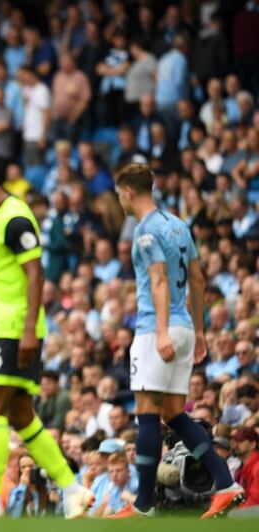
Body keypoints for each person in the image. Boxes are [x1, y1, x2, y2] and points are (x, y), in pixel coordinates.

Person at [0, 154, 93, 519]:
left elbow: (36, 273)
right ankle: (73, 489)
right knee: (22, 416)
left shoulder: (15, 216)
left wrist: (28, 331)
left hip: (15, 328)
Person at [110, 163, 244, 518]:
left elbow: (158, 280)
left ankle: (143, 505)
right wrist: (197, 331)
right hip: (185, 326)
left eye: (118, 193)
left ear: (127, 192)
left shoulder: (146, 231)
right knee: (174, 414)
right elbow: (197, 280)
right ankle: (226, 484)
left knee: (147, 415)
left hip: (158, 328)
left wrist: (163, 330)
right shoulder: (178, 224)